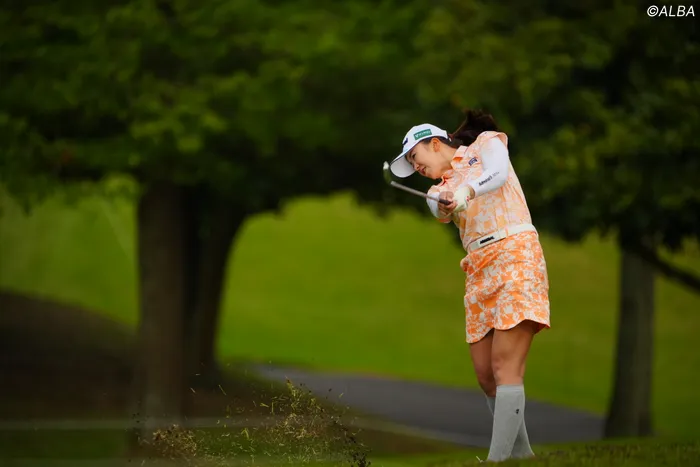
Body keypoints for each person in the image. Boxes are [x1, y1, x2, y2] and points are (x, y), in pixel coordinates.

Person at [388, 109, 551, 462]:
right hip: (478, 270)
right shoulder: (438, 189)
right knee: (485, 374)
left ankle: (497, 461)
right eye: (410, 164)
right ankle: (523, 456)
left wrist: (468, 189)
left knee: (505, 365)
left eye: (415, 157)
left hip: (515, 253)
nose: (415, 167)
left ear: (435, 143)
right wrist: (446, 200)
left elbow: (499, 172)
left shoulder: (486, 145)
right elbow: (438, 208)